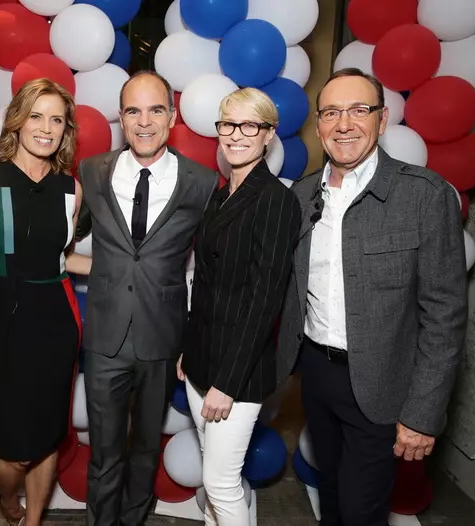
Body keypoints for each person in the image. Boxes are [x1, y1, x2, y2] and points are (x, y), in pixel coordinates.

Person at [276, 67, 468, 526]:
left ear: (382, 121)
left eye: (359, 110)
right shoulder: (301, 196)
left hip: (383, 384)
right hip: (317, 377)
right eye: (332, 112)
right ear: (319, 124)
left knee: (363, 511)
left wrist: (423, 413)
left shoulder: (424, 196)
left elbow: (445, 314)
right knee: (334, 499)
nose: (345, 124)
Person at [76, 71, 219, 526]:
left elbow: (213, 271)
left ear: (172, 116)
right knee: (104, 451)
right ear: (121, 117)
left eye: (155, 109)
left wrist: (198, 340)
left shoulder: (201, 182)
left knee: (143, 450)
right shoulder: (91, 172)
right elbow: (58, 238)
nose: (144, 121)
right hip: (105, 337)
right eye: (133, 110)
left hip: (163, 339)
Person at [0, 78, 91, 526]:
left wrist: (130, 267)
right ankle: (7, 494)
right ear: (17, 120)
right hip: (0, 323)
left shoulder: (72, 189)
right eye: (37, 116)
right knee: (13, 450)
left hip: (55, 321)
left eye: (57, 119)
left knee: (49, 437)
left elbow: (62, 257)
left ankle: (32, 522)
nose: (47, 128)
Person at [177, 87, 302, 526]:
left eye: (250, 125)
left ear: (269, 134)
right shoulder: (221, 192)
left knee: (221, 483)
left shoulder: (274, 199)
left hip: (237, 372)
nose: (235, 135)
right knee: (214, 470)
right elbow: (207, 282)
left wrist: (227, 383)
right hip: (201, 360)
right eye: (228, 124)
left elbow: (264, 300)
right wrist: (188, 349)